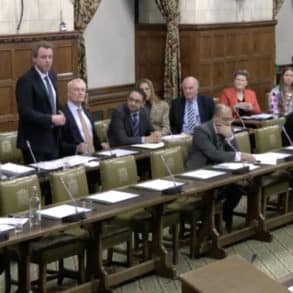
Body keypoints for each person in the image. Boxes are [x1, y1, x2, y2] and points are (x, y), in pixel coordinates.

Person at [186, 104, 256, 231]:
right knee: (224, 190)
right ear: (216, 118)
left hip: (218, 171)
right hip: (199, 173)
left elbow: (236, 150)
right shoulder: (201, 131)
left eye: (230, 119)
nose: (229, 122)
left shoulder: (227, 128)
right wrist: (240, 156)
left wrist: (230, 137)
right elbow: (213, 154)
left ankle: (223, 216)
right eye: (226, 119)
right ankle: (209, 225)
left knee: (239, 187)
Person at [16, 40, 66, 163]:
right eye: (43, 57)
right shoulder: (26, 80)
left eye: (50, 57)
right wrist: (51, 119)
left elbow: (53, 102)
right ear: (34, 59)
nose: (48, 60)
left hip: (52, 139)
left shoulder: (52, 76)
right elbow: (26, 112)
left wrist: (61, 113)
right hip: (34, 142)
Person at [61, 78, 107, 156]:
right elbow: (58, 143)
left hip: (94, 156)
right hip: (76, 159)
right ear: (68, 93)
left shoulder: (86, 111)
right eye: (76, 90)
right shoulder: (62, 114)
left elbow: (93, 136)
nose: (80, 93)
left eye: (83, 90)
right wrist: (76, 148)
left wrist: (101, 146)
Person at [268, 67, 293, 145]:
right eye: (287, 75)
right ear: (282, 77)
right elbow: (274, 111)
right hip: (282, 120)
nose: (289, 78)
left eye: (291, 76)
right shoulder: (275, 92)